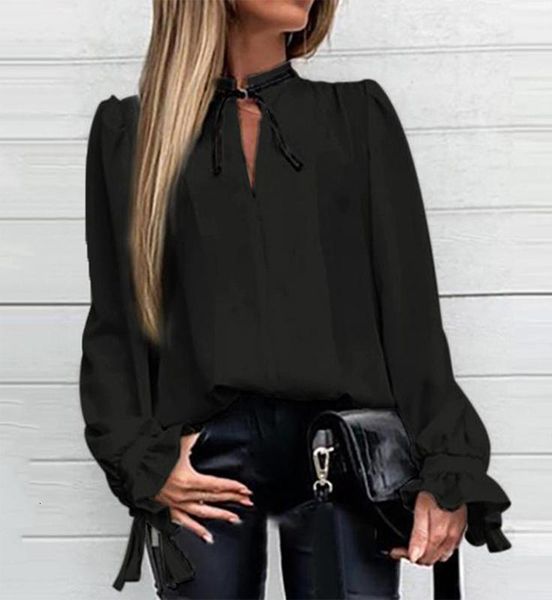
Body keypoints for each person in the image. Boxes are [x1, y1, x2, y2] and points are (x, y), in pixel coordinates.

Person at [79, 0, 511, 598]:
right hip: (207, 458)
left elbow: (410, 312)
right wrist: (143, 463)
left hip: (342, 450)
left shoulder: (356, 118)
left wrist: (448, 466)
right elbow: (118, 321)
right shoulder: (133, 134)